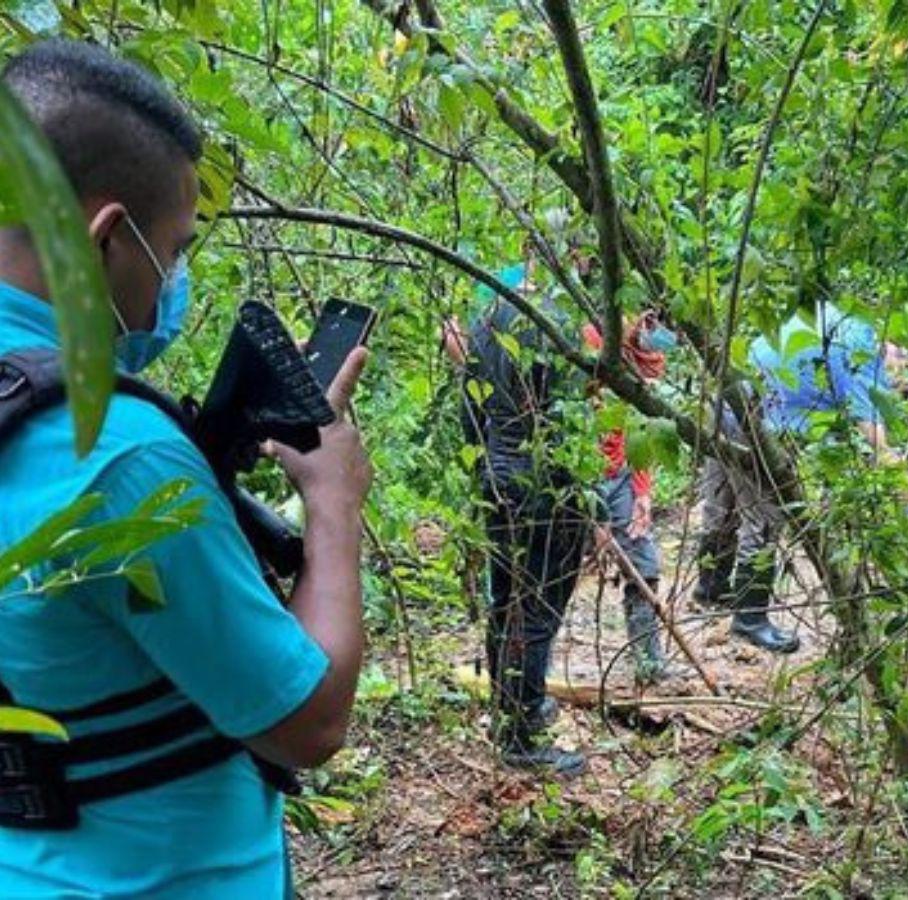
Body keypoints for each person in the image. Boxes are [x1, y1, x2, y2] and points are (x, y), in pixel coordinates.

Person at [0, 41, 371, 897]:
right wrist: (333, 505)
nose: (175, 279)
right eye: (171, 249)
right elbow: (307, 722)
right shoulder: (118, 454)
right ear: (102, 240)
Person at [692, 304, 908, 654]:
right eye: (901, 369)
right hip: (759, 420)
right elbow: (868, 424)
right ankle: (750, 619)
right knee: (762, 516)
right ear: (894, 346)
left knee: (722, 503)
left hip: (724, 401)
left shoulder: (828, 317)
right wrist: (898, 474)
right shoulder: (861, 344)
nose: (898, 376)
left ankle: (710, 586)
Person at [460, 258, 588, 776]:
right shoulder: (560, 321)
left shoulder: (486, 315)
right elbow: (571, 415)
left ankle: (512, 706)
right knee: (537, 606)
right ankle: (520, 731)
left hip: (498, 474)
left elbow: (470, 407)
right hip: (541, 481)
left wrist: (482, 462)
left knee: (507, 597)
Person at [582, 311, 679, 683]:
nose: (653, 335)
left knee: (643, 564)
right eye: (647, 324)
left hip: (622, 472)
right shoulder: (591, 344)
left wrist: (642, 493)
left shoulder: (650, 361)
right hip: (581, 472)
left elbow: (642, 430)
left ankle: (649, 664)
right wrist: (597, 513)